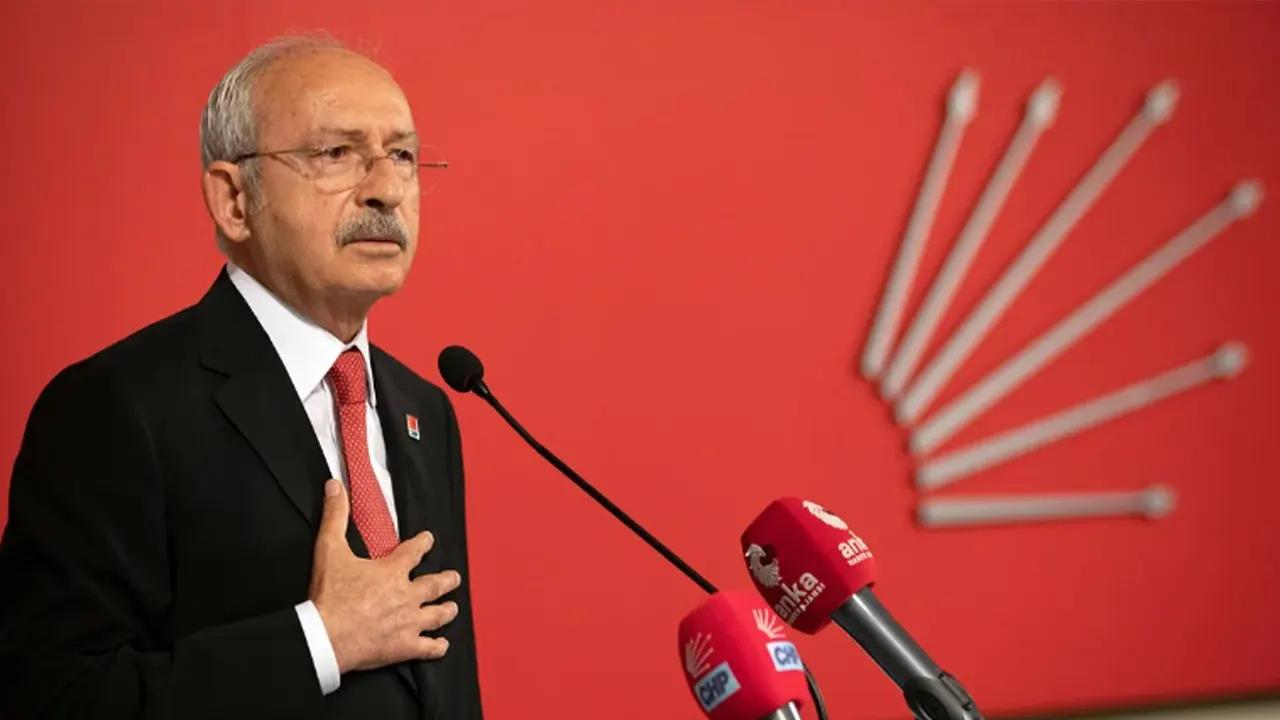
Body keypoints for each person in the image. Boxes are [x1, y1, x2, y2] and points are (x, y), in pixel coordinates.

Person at [0, 35, 482, 719]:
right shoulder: (116, 408)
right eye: (335, 153)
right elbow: (52, 697)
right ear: (233, 199)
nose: (385, 189)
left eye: (401, 155)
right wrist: (318, 642)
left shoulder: (424, 411)